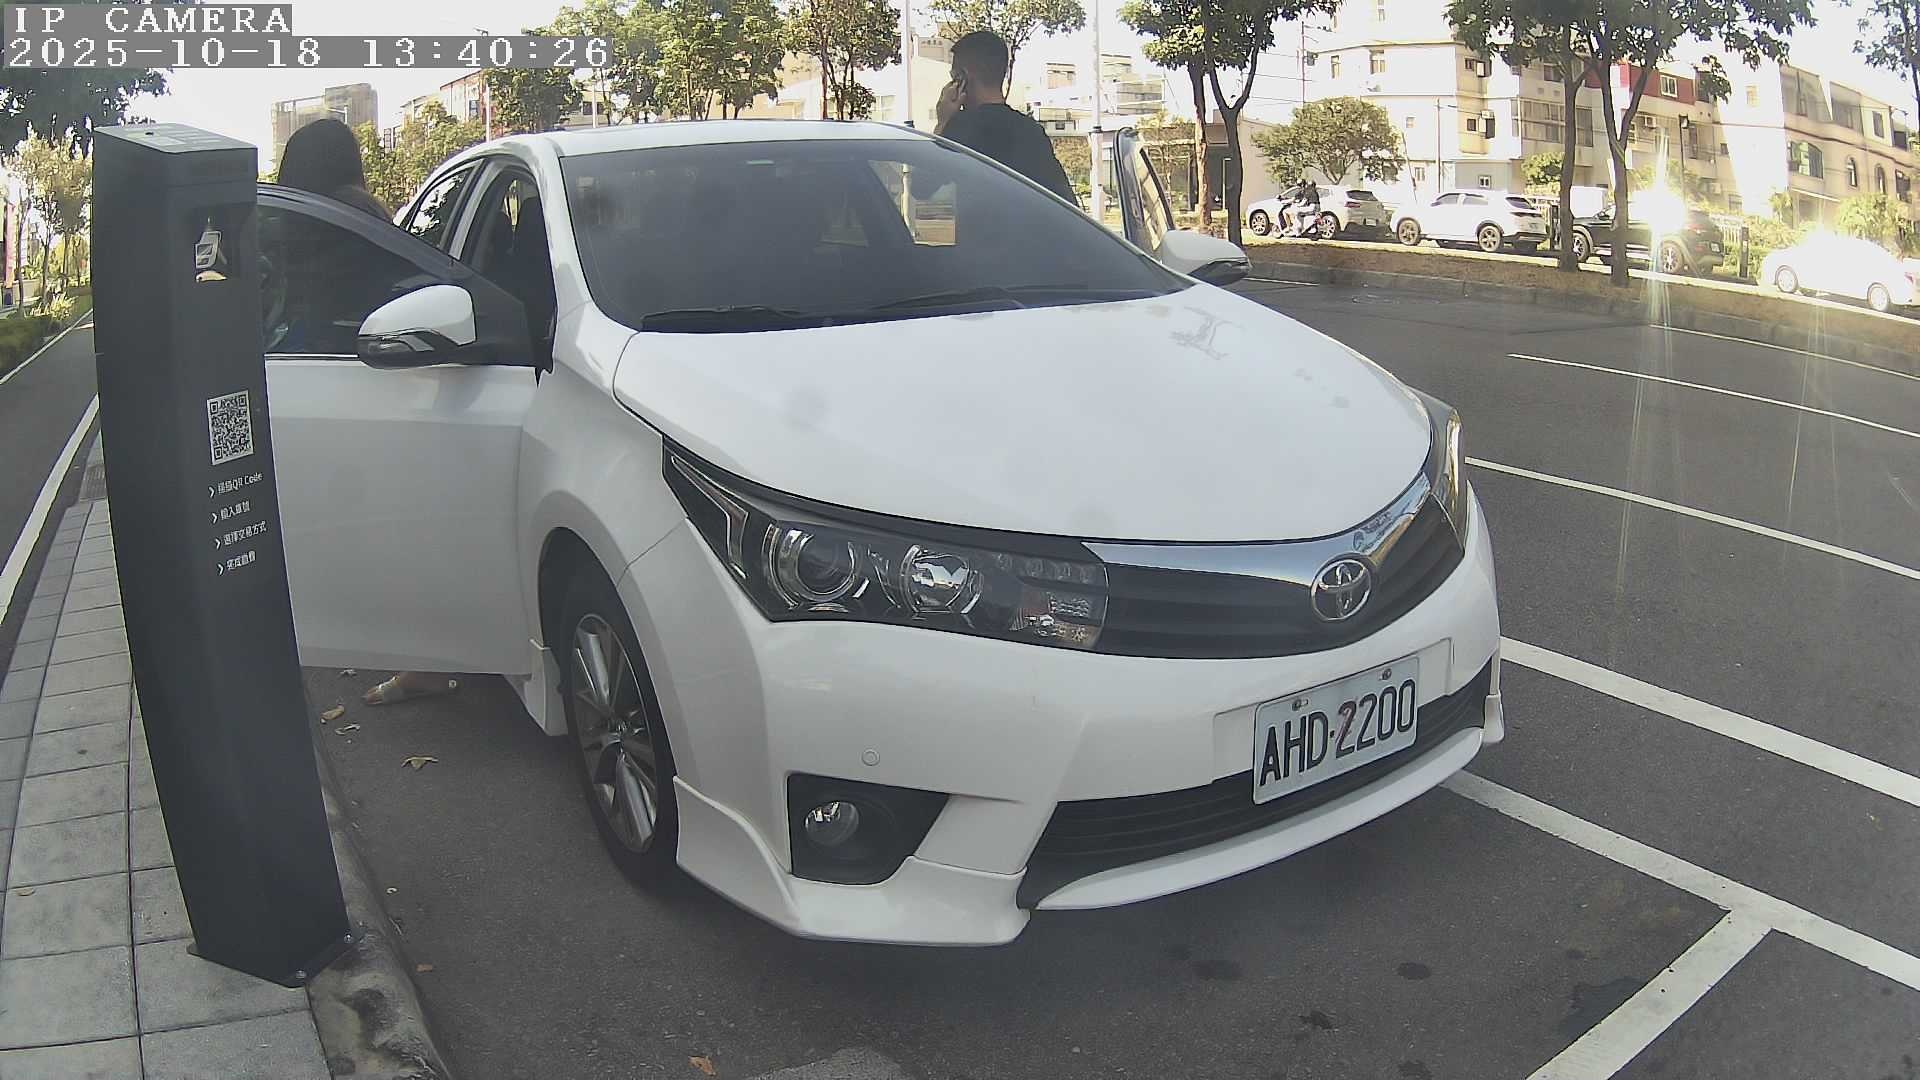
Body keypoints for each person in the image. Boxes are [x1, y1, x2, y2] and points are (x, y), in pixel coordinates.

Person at [275, 118, 459, 709]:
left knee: (372, 534)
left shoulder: (314, 227)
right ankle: (429, 659)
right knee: (406, 532)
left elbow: (306, 317)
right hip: (397, 381)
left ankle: (419, 662)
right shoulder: (370, 219)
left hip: (347, 388)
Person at [934, 31, 1078, 205]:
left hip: (981, 224)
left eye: (954, 77)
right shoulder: (1031, 131)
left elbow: (922, 187)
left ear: (962, 78)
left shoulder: (960, 129)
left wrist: (942, 122)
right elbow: (1066, 201)